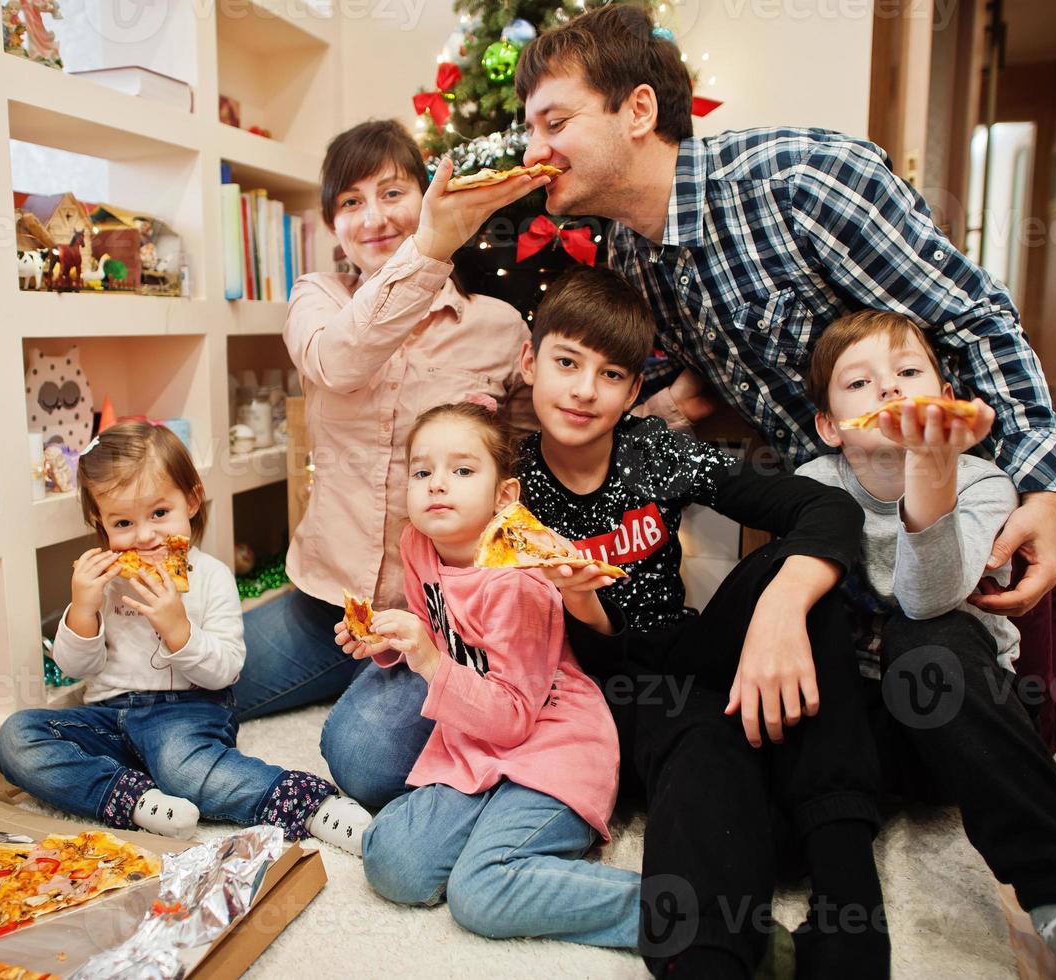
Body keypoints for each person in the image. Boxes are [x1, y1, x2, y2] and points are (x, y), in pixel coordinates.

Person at [513, 5, 1056, 668]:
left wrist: (1040, 488)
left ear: (637, 111)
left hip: (944, 502)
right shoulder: (630, 257)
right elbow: (692, 376)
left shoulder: (803, 184)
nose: (531, 153)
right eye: (529, 129)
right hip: (831, 511)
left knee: (969, 676)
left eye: (555, 122)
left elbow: (974, 321)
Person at [512, 267, 886, 977]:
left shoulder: (654, 452)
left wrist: (779, 607)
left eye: (611, 374)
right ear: (530, 364)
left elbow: (822, 510)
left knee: (801, 579)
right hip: (593, 688)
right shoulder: (508, 478)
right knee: (707, 743)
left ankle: (846, 892)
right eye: (565, 363)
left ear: (631, 392)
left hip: (682, 646)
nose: (584, 389)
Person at [233, 120, 544, 809]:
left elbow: (533, 449)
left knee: (363, 759)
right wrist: (429, 248)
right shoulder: (318, 300)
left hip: (438, 620)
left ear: (426, 196)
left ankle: (398, 695)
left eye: (392, 192)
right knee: (190, 675)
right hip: (327, 605)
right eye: (349, 202)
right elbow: (339, 362)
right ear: (330, 223)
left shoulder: (498, 327)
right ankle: (357, 680)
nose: (373, 218)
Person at [798, 310, 1056, 979]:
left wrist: (930, 471)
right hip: (865, 735)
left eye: (908, 373)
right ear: (828, 426)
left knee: (923, 636)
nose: (889, 389)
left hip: (968, 715)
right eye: (860, 381)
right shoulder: (814, 484)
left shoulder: (981, 481)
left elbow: (925, 599)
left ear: (943, 396)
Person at [341, 400, 640, 947]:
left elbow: (513, 720)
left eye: (461, 471)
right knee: (393, 865)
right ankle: (492, 834)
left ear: (505, 496)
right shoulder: (419, 545)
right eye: (422, 472)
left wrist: (430, 663)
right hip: (472, 744)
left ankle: (669, 912)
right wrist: (390, 641)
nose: (437, 486)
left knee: (480, 894)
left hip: (548, 747)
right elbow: (438, 631)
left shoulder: (517, 583)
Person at [0, 421, 370, 852]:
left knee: (183, 769)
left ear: (191, 500)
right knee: (16, 737)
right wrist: (82, 608)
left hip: (188, 713)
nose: (145, 535)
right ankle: (135, 800)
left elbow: (226, 671)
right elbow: (77, 668)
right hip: (110, 717)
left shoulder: (211, 577)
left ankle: (310, 804)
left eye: (159, 513)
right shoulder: (108, 583)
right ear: (99, 521)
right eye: (123, 522)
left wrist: (177, 628)